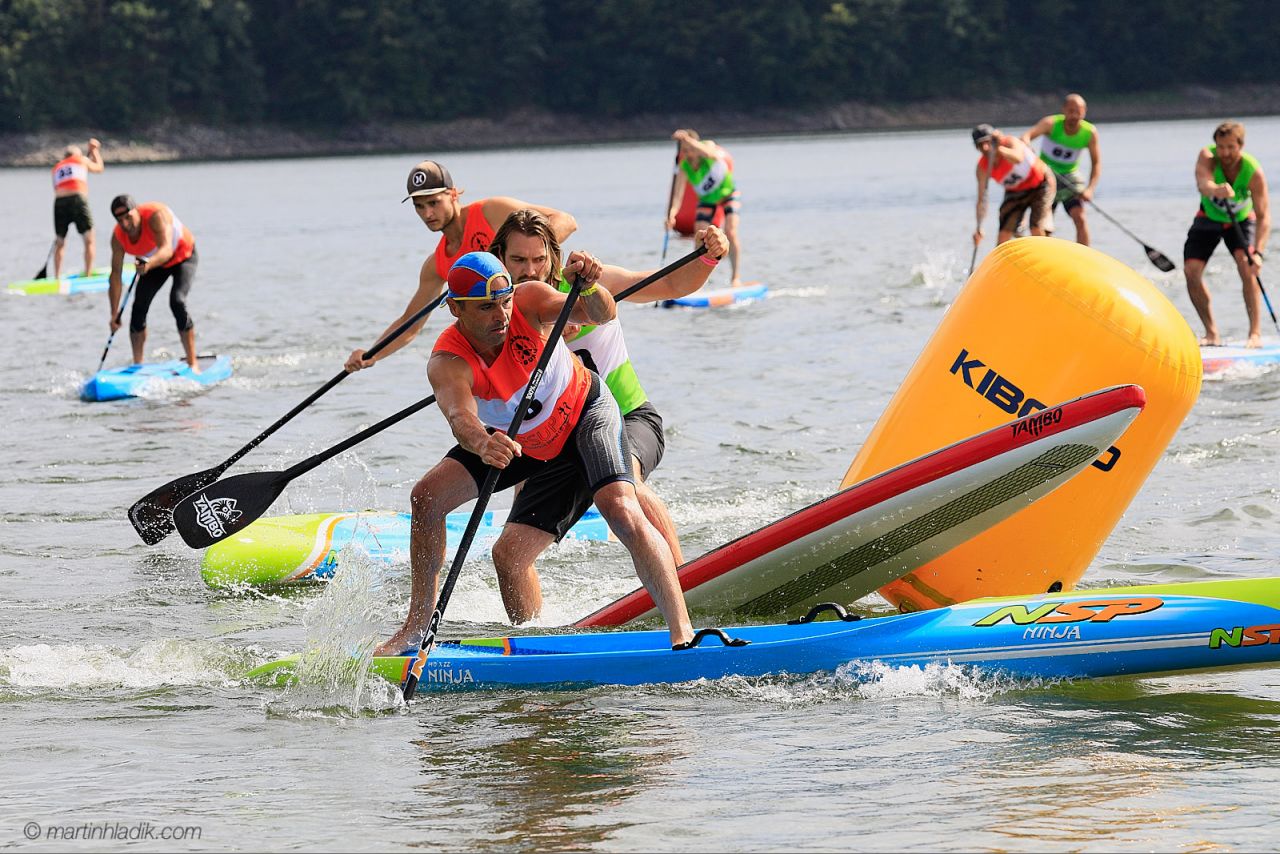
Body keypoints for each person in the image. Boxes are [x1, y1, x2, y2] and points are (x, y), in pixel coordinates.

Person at [376, 251, 694, 654]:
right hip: (516, 437)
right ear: (455, 309)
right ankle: (417, 628)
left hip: (584, 414)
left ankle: (682, 632)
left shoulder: (528, 301)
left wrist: (591, 285)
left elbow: (599, 314)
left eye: (504, 301)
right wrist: (482, 443)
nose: (501, 315)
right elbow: (459, 415)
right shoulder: (447, 359)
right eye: (487, 307)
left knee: (619, 506)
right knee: (427, 497)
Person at [483, 209, 730, 622]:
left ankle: (685, 588)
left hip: (629, 417)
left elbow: (670, 283)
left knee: (624, 483)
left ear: (553, 258)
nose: (530, 271)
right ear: (501, 262)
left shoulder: (588, 283)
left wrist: (707, 257)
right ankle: (531, 639)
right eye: (518, 262)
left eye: (539, 260)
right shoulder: (500, 314)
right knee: (509, 553)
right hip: (561, 440)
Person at [344, 160, 577, 372]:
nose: (428, 213)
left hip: (566, 311)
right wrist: (372, 354)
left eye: (434, 202)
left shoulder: (491, 211)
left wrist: (505, 263)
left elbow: (566, 221)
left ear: (453, 194)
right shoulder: (437, 264)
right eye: (420, 206)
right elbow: (411, 322)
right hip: (528, 336)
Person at [1183, 121, 1271, 347]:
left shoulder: (1253, 171)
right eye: (1221, 147)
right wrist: (1216, 190)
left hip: (1240, 221)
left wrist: (1259, 253)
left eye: (1231, 147)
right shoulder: (1207, 157)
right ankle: (1211, 333)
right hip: (1208, 217)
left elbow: (1263, 217)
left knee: (1246, 266)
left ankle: (1255, 334)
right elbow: (1203, 184)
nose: (1225, 153)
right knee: (1191, 271)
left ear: (1240, 146)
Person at [107, 195, 200, 369]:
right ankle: (137, 366)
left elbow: (166, 250)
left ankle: (192, 363)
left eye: (129, 217)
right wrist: (114, 314)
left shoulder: (155, 215)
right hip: (153, 264)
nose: (126, 224)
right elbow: (115, 275)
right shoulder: (118, 237)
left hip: (183, 255)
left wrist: (148, 263)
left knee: (177, 301)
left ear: (138, 211)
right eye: (120, 220)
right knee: (138, 307)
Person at [666, 129, 743, 287]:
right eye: (684, 151)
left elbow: (710, 153)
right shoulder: (684, 167)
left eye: (689, 150)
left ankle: (735, 277)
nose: (688, 154)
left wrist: (687, 139)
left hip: (728, 194)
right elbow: (678, 195)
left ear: (695, 145)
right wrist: (672, 215)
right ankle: (698, 281)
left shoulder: (706, 148)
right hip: (707, 200)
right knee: (700, 234)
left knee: (731, 230)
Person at [1022, 93, 1101, 245]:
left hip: (1069, 178)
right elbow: (1026, 136)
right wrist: (1027, 145)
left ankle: (1084, 256)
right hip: (1046, 177)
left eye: (1078, 111)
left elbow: (1096, 163)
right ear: (1063, 110)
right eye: (1070, 111)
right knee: (1044, 223)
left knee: (1080, 217)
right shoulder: (1051, 124)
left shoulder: (1090, 133)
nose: (1074, 115)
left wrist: (1090, 189)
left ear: (1084, 111)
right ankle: (1047, 256)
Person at [971, 124, 1056, 247]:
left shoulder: (1010, 142)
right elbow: (982, 199)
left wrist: (998, 149)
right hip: (1016, 191)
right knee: (1003, 235)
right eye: (980, 145)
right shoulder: (982, 167)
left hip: (1041, 184)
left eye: (987, 142)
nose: (985, 148)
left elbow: (1018, 158)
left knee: (1036, 228)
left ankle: (1045, 256)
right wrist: (979, 227)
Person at [51, 139, 105, 280]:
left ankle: (57, 277)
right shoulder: (80, 159)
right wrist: (94, 151)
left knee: (60, 241)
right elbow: (99, 168)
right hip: (77, 199)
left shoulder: (56, 167)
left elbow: (56, 188)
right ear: (76, 154)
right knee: (89, 239)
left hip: (59, 202)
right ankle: (88, 274)